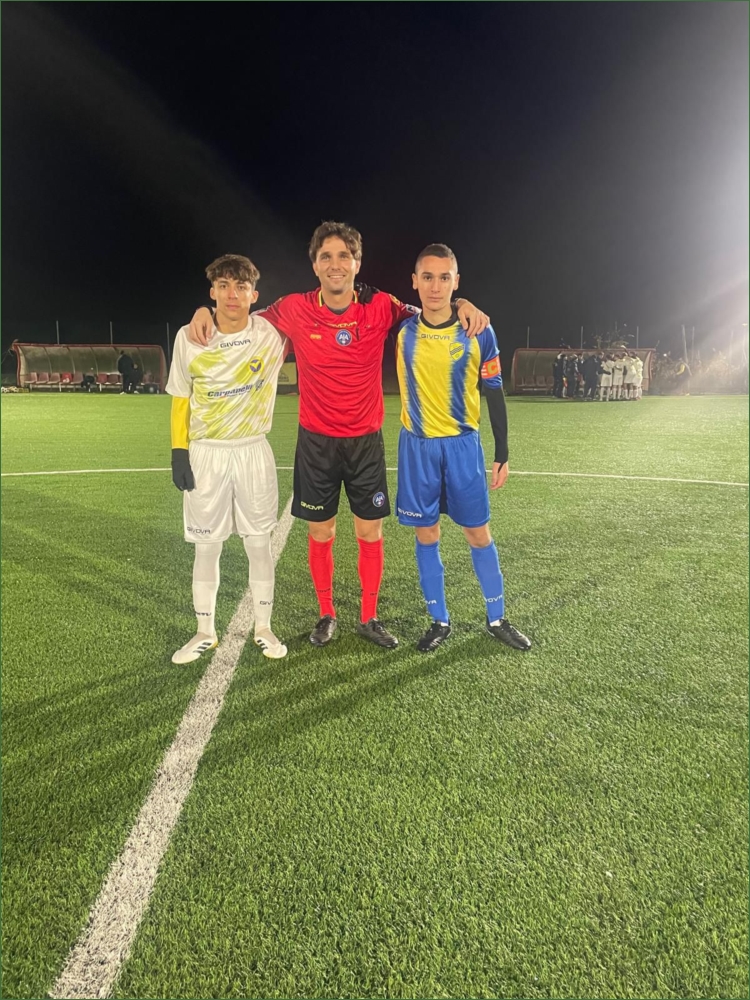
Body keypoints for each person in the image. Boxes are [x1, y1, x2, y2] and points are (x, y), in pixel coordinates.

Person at [188, 221, 489, 650]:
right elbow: (239, 318)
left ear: (356, 263)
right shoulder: (293, 308)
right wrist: (204, 311)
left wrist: (461, 302)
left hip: (365, 442)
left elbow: (429, 307)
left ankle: (368, 617)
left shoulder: (381, 305)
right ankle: (326, 613)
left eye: (343, 256)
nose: (335, 264)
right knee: (321, 533)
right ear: (314, 265)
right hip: (316, 443)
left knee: (370, 533)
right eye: (326, 256)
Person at [395, 244, 531, 653]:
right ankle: (439, 620)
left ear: (456, 282)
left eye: (444, 278)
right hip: (417, 448)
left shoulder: (479, 331)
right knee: (427, 533)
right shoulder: (400, 328)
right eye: (428, 277)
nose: (435, 286)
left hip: (462, 447)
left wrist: (502, 452)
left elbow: (494, 391)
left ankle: (497, 617)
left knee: (478, 532)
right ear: (415, 281)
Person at [167, 254, 288, 665]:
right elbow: (180, 398)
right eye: (223, 286)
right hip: (207, 454)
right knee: (207, 547)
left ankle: (263, 627)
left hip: (253, 449)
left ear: (254, 295)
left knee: (258, 544)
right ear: (212, 292)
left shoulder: (272, 333)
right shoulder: (189, 337)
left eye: (240, 287)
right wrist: (179, 452)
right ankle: (205, 631)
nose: (232, 295)